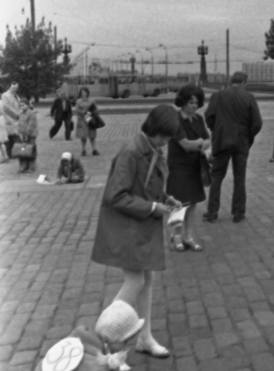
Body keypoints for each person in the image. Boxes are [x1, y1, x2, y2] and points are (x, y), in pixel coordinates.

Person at [91, 104, 182, 359]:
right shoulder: (132, 152)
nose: (166, 142)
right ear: (154, 129)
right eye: (164, 135)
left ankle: (144, 338)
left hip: (138, 225)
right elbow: (116, 195)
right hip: (127, 228)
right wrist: (153, 206)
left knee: (147, 279)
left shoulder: (150, 148)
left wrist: (166, 198)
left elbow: (145, 186)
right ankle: (103, 341)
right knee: (136, 280)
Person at [204, 72, 263, 223]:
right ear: (244, 82)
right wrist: (247, 136)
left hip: (222, 141)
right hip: (241, 142)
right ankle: (238, 213)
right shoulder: (249, 97)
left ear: (231, 82)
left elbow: (209, 116)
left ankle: (212, 212)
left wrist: (217, 130)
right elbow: (257, 123)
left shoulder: (218, 96)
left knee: (217, 175)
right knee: (239, 177)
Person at [37, 300, 144, 371]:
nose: (126, 346)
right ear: (109, 339)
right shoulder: (95, 365)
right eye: (124, 341)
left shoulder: (79, 337)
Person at [167, 84, 210, 252]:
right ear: (183, 102)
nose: (194, 105)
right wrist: (200, 143)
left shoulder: (199, 119)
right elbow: (185, 144)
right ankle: (176, 237)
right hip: (178, 166)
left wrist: (200, 144)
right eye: (191, 102)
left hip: (195, 166)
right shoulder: (175, 120)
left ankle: (188, 236)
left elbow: (208, 139)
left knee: (192, 203)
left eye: (196, 102)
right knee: (179, 203)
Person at [75, 87, 100, 156]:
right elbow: (76, 110)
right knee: (83, 136)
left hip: (91, 120)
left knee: (92, 136)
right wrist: (83, 112)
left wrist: (93, 112)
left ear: (87, 93)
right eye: (82, 92)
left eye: (85, 92)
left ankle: (94, 150)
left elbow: (96, 109)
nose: (84, 94)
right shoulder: (78, 101)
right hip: (82, 120)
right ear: (80, 93)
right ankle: (83, 150)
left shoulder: (92, 100)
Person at [17, 96, 38, 173]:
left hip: (31, 135)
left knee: (30, 150)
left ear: (28, 105)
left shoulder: (32, 113)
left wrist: (27, 135)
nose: (21, 107)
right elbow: (18, 124)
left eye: (23, 105)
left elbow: (31, 125)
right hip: (22, 135)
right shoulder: (20, 113)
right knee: (23, 151)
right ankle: (23, 166)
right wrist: (19, 133)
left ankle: (31, 167)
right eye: (20, 106)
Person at [1, 82, 21, 158]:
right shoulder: (5, 95)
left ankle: (10, 154)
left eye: (16, 88)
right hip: (9, 119)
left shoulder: (16, 95)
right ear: (9, 87)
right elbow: (6, 107)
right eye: (13, 88)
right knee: (14, 137)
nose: (14, 89)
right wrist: (16, 115)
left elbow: (19, 105)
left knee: (11, 137)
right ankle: (13, 154)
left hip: (15, 120)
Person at [0, 86, 8, 163]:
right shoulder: (1, 101)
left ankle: (5, 156)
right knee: (0, 141)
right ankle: (5, 156)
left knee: (0, 141)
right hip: (1, 120)